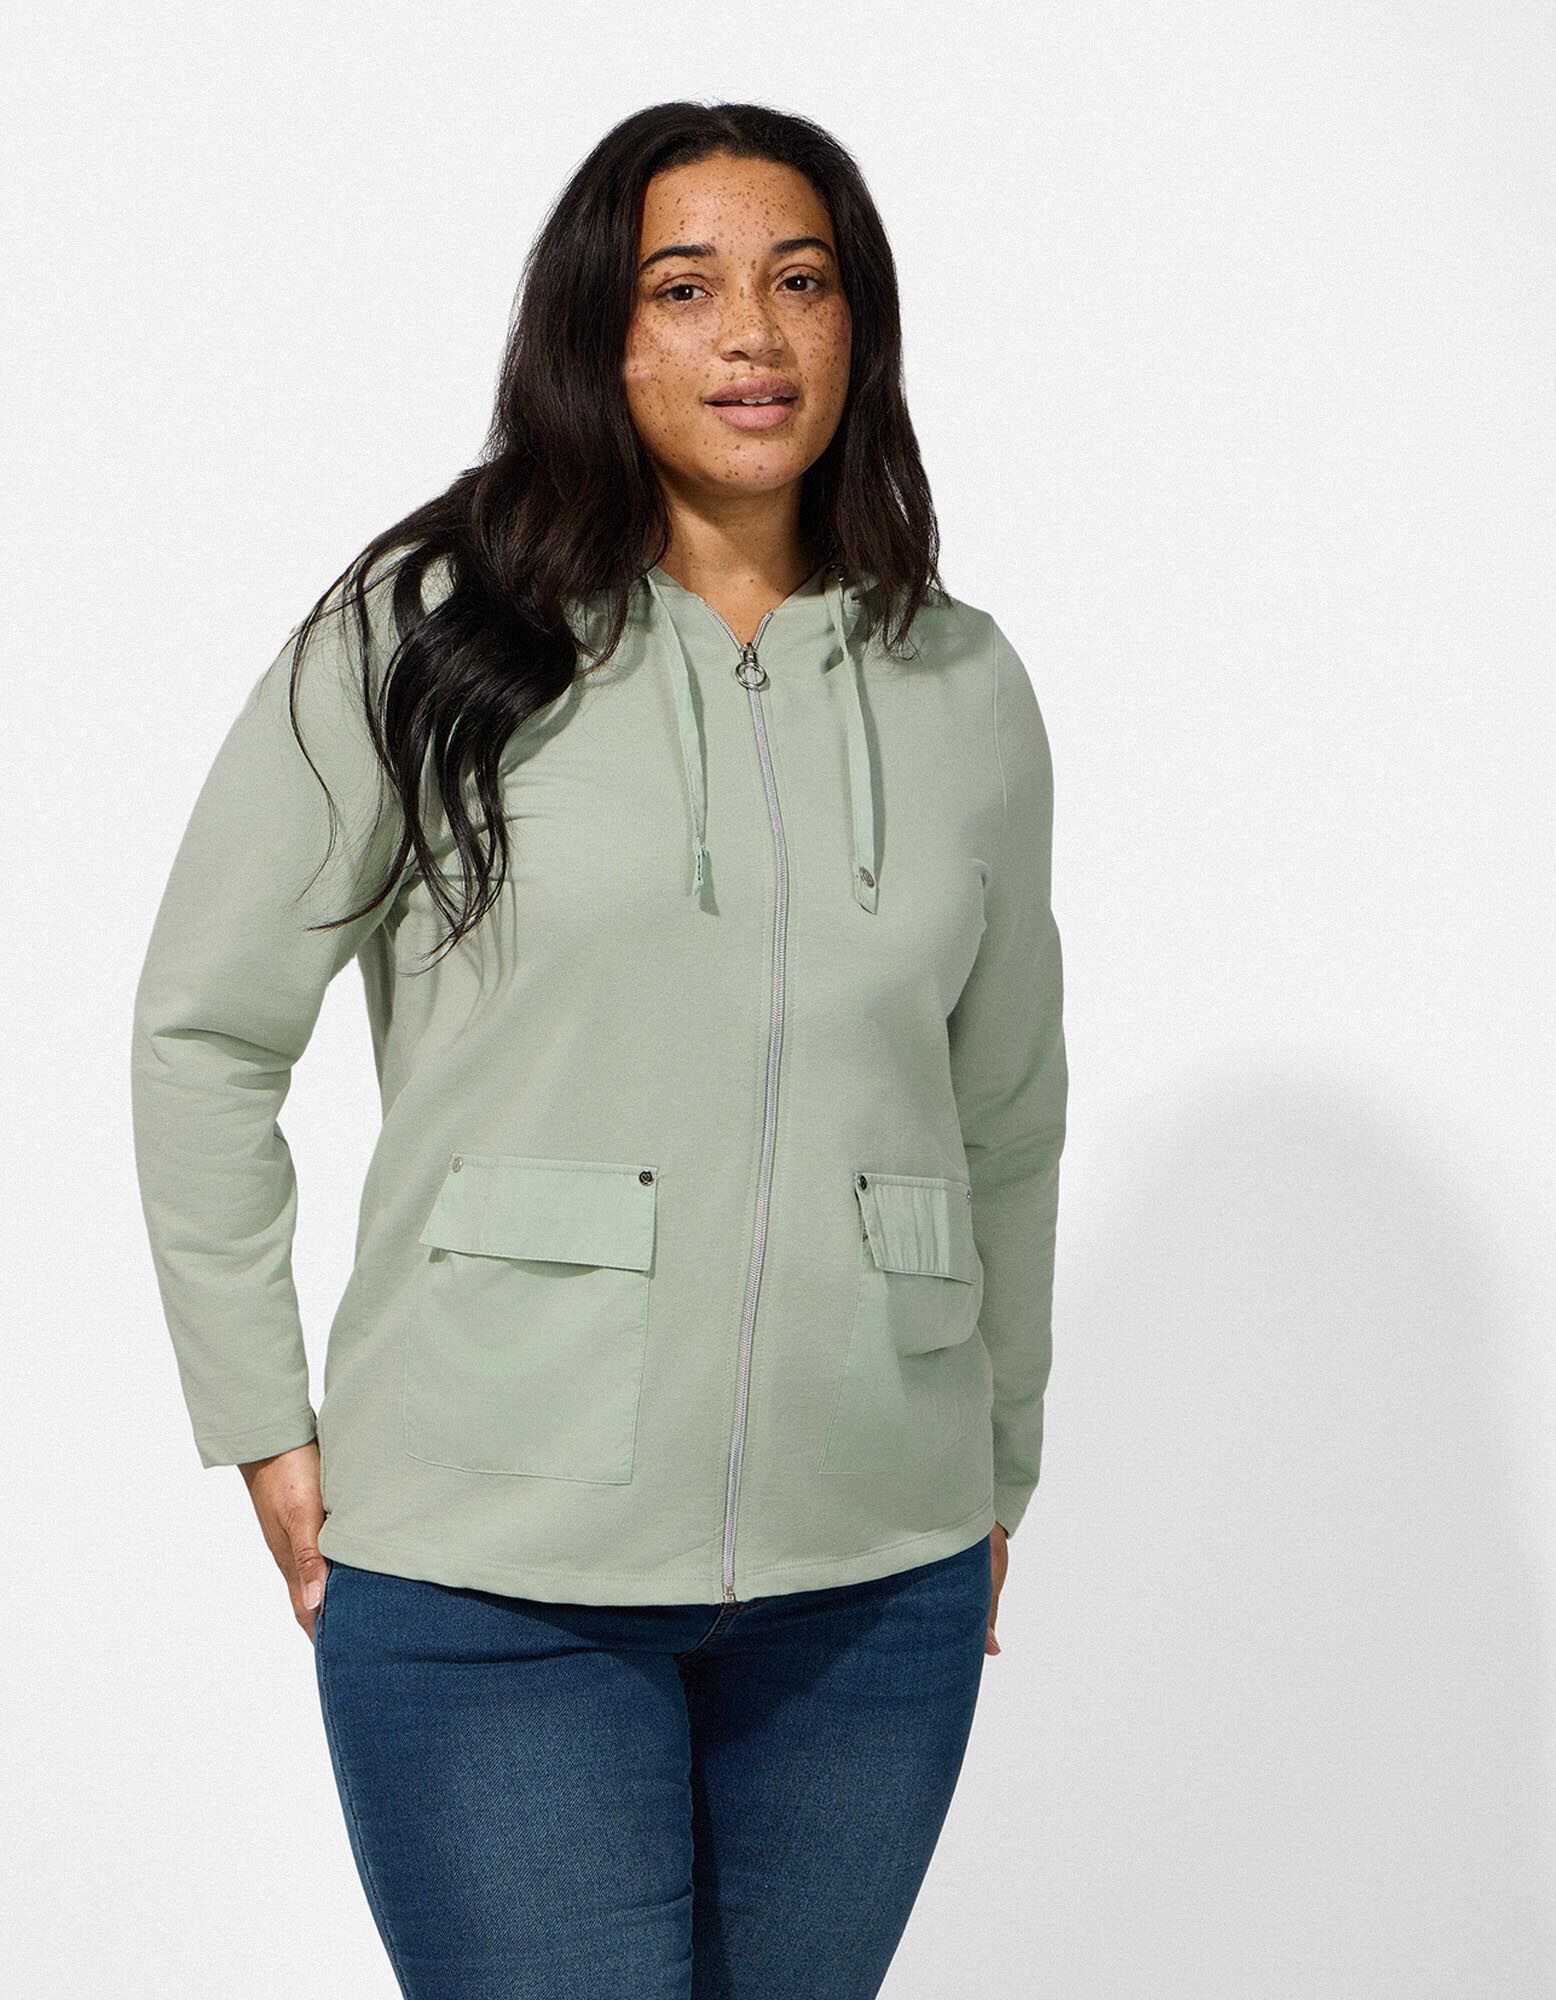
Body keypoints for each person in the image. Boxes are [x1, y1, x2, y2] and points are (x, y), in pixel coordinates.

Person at [130, 99, 1068, 2000]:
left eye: (802, 282)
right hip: (490, 1570)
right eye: (687, 288)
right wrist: (264, 1422)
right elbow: (204, 1033)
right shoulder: (428, 633)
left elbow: (1007, 1117)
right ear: (598, 330)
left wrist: (992, 1474)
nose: (755, 335)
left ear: (861, 325)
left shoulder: (961, 682)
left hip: (871, 1583)